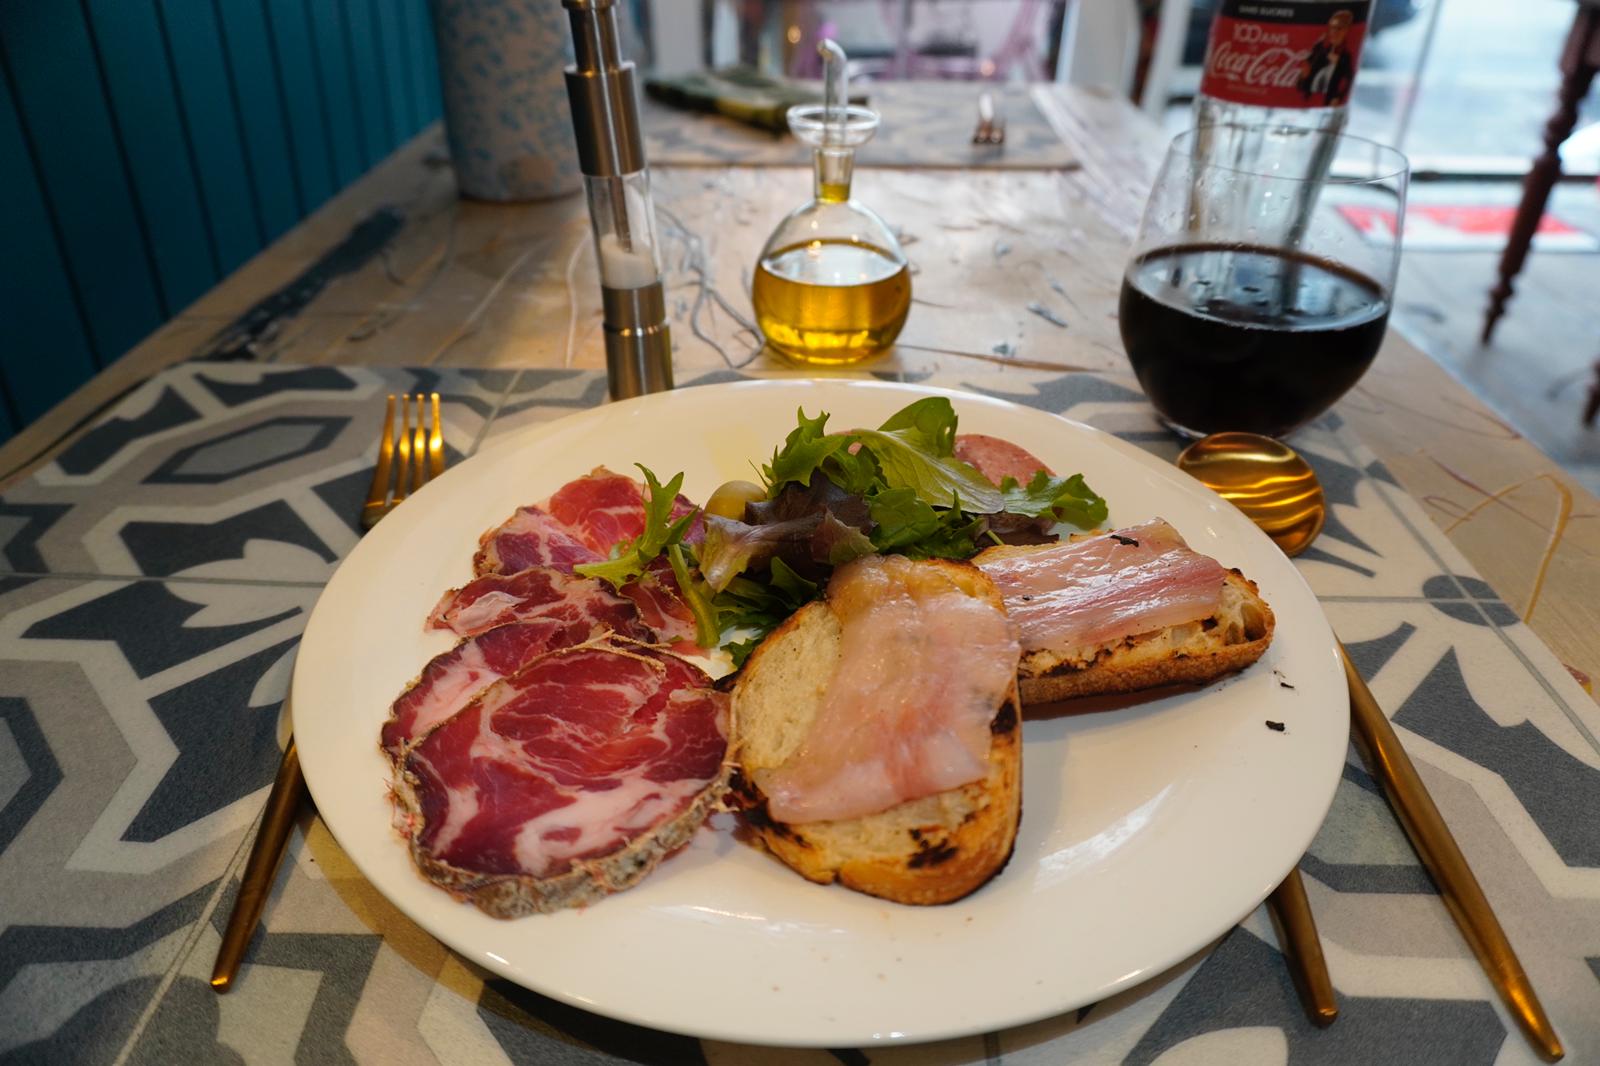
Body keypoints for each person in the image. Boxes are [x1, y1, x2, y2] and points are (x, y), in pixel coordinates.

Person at [1297, 10, 1357, 106]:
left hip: (1327, 106)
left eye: (1339, 28)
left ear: (1346, 30)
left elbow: (1348, 81)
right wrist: (1303, 76)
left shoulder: (1346, 56)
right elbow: (1302, 81)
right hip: (1306, 104)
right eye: (1332, 27)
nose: (1334, 32)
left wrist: (1338, 97)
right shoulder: (1319, 49)